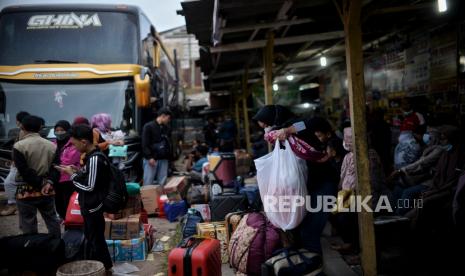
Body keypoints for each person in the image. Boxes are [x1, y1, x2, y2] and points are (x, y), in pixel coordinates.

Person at [57, 124, 113, 270]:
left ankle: (104, 268)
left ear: (84, 142)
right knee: (94, 239)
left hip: (93, 207)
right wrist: (78, 171)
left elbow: (89, 186)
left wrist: (72, 175)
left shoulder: (95, 159)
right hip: (91, 206)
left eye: (75, 144)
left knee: (96, 241)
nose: (74, 148)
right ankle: (104, 267)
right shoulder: (91, 158)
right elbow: (91, 179)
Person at [13, 115, 61, 238]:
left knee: (28, 222)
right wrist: (48, 183)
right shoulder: (52, 145)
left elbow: (24, 171)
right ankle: (57, 246)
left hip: (25, 190)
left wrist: (40, 183)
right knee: (52, 219)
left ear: (22, 127)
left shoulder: (19, 146)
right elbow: (55, 168)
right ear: (40, 128)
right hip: (47, 190)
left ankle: (32, 250)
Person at [388, 126, 445, 215]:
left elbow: (422, 163)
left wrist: (401, 171)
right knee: (399, 188)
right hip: (422, 179)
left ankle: (399, 218)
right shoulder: (428, 148)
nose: (426, 137)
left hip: (431, 182)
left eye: (429, 135)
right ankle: (392, 215)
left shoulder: (439, 149)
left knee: (408, 192)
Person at [1, 111, 30, 216]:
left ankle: (14, 204)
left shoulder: (23, 132)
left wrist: (16, 161)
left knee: (8, 183)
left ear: (18, 121)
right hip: (18, 162)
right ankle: (18, 203)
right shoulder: (21, 131)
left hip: (20, 163)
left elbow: (20, 148)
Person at [53, 120, 81, 219]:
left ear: (68, 131)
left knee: (68, 204)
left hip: (69, 179)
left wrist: (56, 165)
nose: (59, 133)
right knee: (58, 204)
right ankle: (64, 220)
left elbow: (70, 161)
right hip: (56, 179)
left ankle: (70, 223)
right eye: (57, 130)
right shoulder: (53, 143)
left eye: (62, 130)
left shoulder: (73, 144)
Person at [142, 108, 172, 186]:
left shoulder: (167, 128)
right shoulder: (148, 126)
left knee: (162, 183)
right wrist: (149, 157)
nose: (168, 120)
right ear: (163, 116)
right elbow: (145, 144)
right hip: (152, 159)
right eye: (168, 118)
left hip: (163, 158)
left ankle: (160, 198)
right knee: (148, 182)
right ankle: (148, 198)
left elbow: (168, 143)